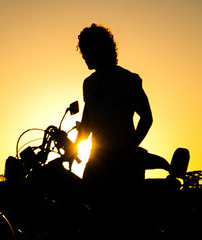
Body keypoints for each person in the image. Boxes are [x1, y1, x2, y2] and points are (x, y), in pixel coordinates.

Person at [74, 23, 154, 237]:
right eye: (82, 51)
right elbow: (87, 120)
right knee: (88, 216)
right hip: (97, 159)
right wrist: (74, 148)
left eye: (87, 51)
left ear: (100, 49)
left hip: (124, 162)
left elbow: (146, 117)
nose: (84, 57)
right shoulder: (88, 84)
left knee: (122, 223)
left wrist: (130, 146)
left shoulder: (129, 80)